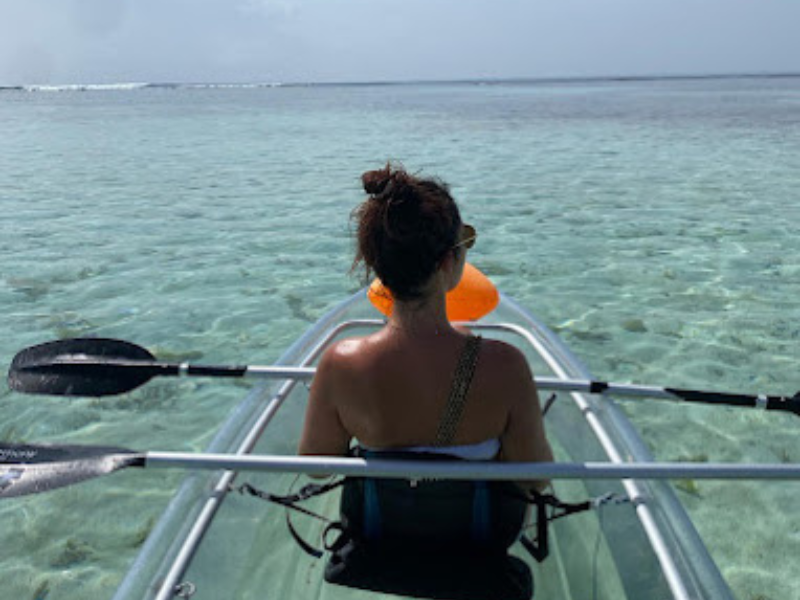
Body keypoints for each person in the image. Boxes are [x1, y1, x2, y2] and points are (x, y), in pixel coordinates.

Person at [299, 163, 553, 489]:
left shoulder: (340, 364)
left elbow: (317, 467)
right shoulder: (505, 365)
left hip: (381, 534)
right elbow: (535, 480)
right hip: (475, 536)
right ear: (448, 262)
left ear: (377, 262)